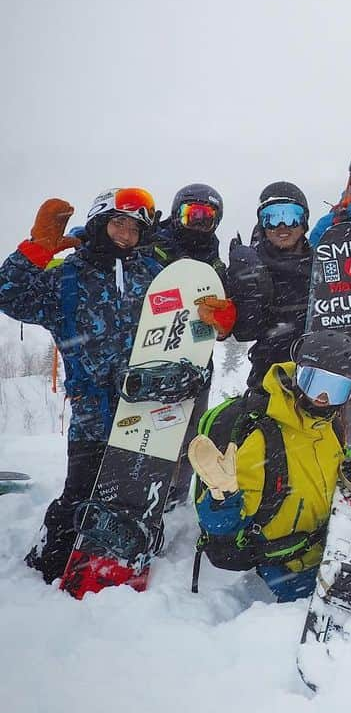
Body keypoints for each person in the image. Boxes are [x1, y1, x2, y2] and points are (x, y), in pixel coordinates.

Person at [0, 189, 220, 583]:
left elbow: (190, 330)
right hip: (92, 411)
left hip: (146, 411)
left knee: (136, 500)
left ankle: (124, 562)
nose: (126, 232)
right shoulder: (67, 276)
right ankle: (50, 564)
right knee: (79, 495)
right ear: (100, 223)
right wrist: (35, 250)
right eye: (119, 222)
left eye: (135, 226)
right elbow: (9, 294)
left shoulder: (153, 274)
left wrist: (214, 323)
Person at [190, 329, 351, 602]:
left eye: (336, 389)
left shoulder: (331, 425)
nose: (322, 397)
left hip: (328, 547)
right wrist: (222, 496)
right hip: (283, 563)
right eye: (313, 382)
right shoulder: (265, 437)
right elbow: (222, 527)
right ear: (298, 375)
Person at [144, 183, 237, 510]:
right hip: (149, 355)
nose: (197, 224)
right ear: (175, 215)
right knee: (144, 429)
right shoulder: (153, 249)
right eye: (190, 215)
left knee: (188, 431)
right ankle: (135, 485)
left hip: (195, 362)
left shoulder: (215, 266)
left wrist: (224, 323)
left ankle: (173, 497)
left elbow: (223, 327)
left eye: (205, 217)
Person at [229, 182, 313, 388]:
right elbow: (242, 331)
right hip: (269, 378)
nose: (282, 226)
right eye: (272, 217)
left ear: (304, 222)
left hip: (319, 376)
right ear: (262, 225)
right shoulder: (251, 267)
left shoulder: (322, 265)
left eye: (291, 216)